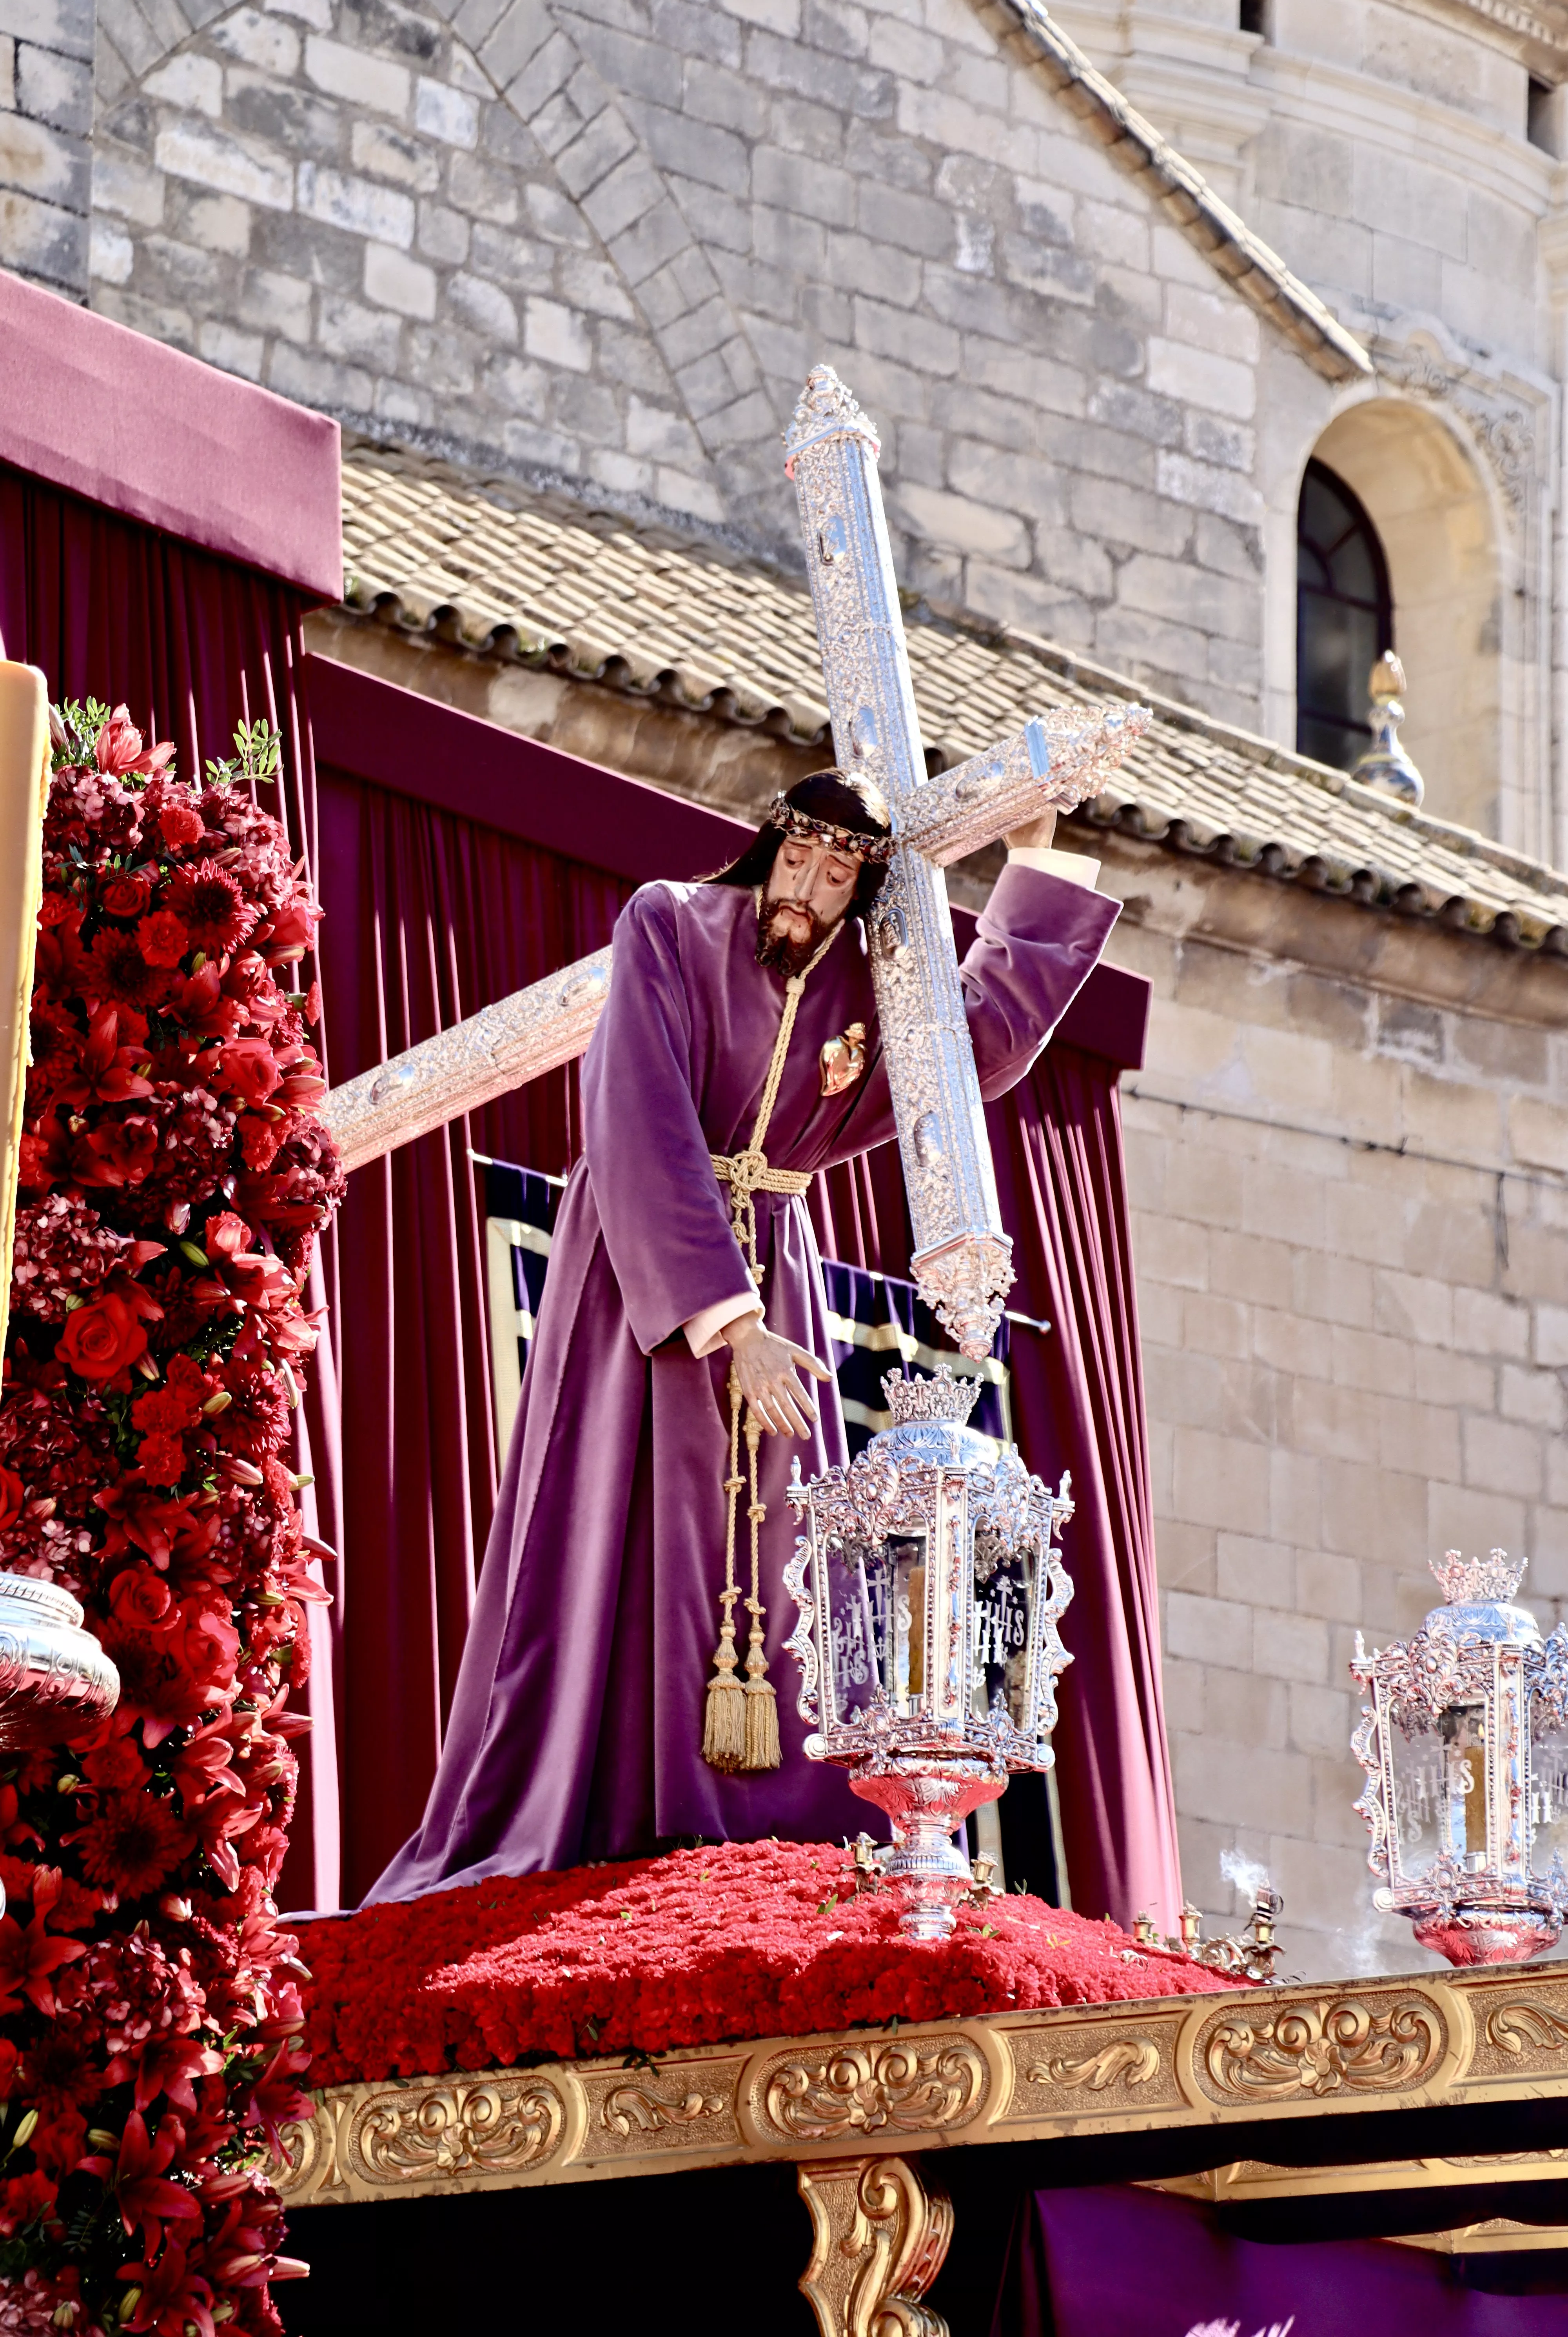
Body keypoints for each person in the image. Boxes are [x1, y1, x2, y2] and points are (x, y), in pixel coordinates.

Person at [367, 769, 1119, 1901]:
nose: (811, 888)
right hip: (644, 1286)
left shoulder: (871, 989)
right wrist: (732, 1326)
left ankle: (767, 1824)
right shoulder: (670, 922)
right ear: (768, 844)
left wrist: (1038, 864)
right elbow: (639, 1119)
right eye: (801, 855)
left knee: (778, 1545)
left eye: (840, 871)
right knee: (624, 1524)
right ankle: (605, 1804)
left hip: (783, 1252)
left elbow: (982, 1054)